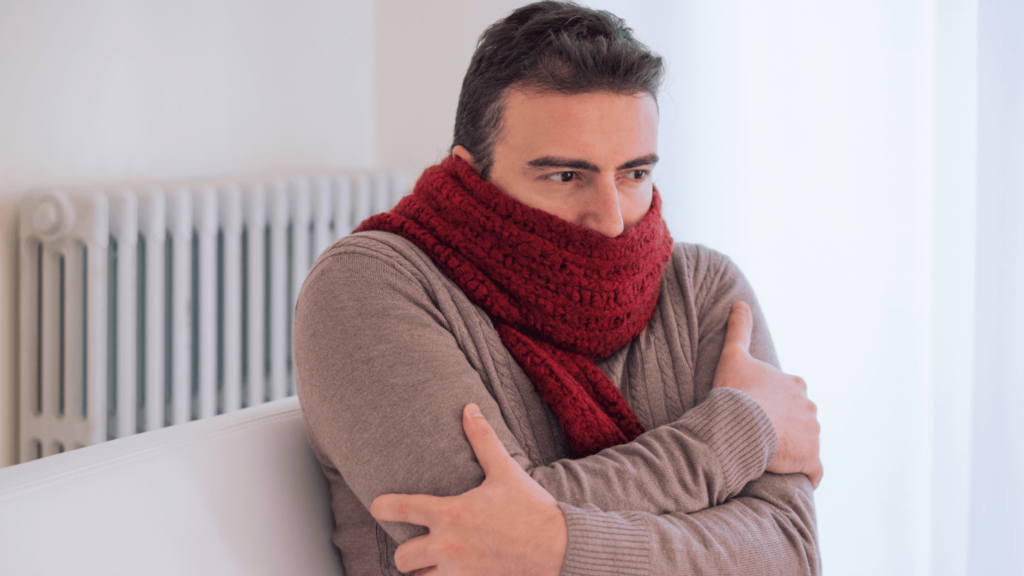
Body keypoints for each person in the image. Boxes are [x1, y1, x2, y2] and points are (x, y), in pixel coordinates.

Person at [293, 2, 822, 575]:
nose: (613, 220)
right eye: (566, 176)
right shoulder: (370, 286)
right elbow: (470, 535)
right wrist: (741, 429)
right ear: (473, 172)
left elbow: (790, 553)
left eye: (634, 174)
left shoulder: (708, 289)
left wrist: (556, 546)